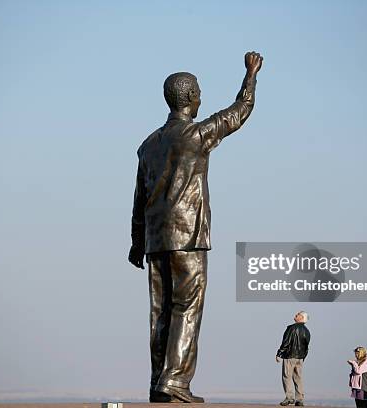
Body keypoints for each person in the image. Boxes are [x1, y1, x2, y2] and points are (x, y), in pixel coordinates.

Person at [129, 51, 263, 403]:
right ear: (191, 99)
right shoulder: (198, 134)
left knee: (160, 313)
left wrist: (136, 242)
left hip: (156, 241)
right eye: (199, 92)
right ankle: (175, 382)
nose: (202, 97)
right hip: (187, 237)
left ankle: (160, 382)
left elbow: (138, 199)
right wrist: (250, 75)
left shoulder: (147, 146)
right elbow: (240, 111)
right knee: (186, 309)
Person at [276, 311, 311, 406]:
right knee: (298, 378)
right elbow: (306, 347)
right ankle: (299, 399)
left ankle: (289, 398)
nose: (295, 315)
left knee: (287, 376)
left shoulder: (291, 328)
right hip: (300, 358)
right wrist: (303, 357)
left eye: (298, 314)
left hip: (289, 356)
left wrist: (279, 353)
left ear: (302, 317)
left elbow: (286, 342)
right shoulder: (307, 331)